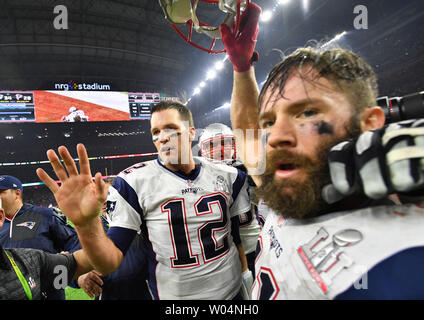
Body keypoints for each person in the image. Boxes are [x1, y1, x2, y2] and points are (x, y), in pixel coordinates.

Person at [221, 2, 424, 299]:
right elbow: (247, 132)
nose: (276, 137)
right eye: (270, 122)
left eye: (306, 114)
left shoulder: (403, 255)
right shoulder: (292, 187)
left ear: (370, 124)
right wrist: (241, 69)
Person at [36, 101, 252, 300]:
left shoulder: (229, 176)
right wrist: (77, 272)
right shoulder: (130, 191)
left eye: (170, 128)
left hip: (228, 294)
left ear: (191, 132)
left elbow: (238, 237)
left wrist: (246, 275)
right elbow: (72, 263)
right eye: (155, 132)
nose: (162, 137)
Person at [0, 175, 80, 300]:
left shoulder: (44, 215)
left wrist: (70, 279)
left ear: (16, 193)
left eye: (1, 192)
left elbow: (74, 243)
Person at [199, 122, 261, 276]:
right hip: (221, 258)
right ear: (202, 150)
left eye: (224, 143)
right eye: (212, 145)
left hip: (255, 247)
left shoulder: (247, 172)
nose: (220, 150)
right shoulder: (196, 180)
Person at [74, 180, 151, 300]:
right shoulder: (87, 231)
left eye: (109, 195)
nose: (104, 201)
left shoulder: (144, 226)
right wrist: (79, 279)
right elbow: (62, 270)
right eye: (98, 196)